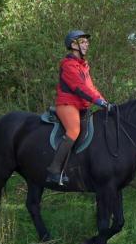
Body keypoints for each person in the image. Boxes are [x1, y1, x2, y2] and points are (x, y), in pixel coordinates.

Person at [45, 30, 111, 185]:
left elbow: (91, 88)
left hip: (81, 106)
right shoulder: (68, 65)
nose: (86, 45)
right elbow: (79, 87)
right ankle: (54, 170)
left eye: (87, 42)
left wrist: (104, 102)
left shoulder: (84, 66)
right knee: (74, 131)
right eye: (83, 42)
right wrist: (97, 101)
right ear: (74, 45)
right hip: (67, 104)